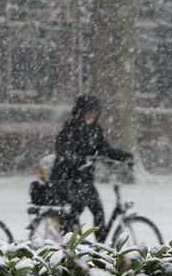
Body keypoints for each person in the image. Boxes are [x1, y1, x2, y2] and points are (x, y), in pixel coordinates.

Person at [48, 93, 133, 241]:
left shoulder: (95, 131)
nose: (91, 116)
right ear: (80, 112)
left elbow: (105, 150)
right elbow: (62, 150)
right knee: (75, 214)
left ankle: (98, 249)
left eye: (94, 112)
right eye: (88, 112)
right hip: (65, 178)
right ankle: (72, 244)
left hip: (84, 180)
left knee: (97, 212)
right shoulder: (70, 128)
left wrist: (123, 156)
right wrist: (78, 161)